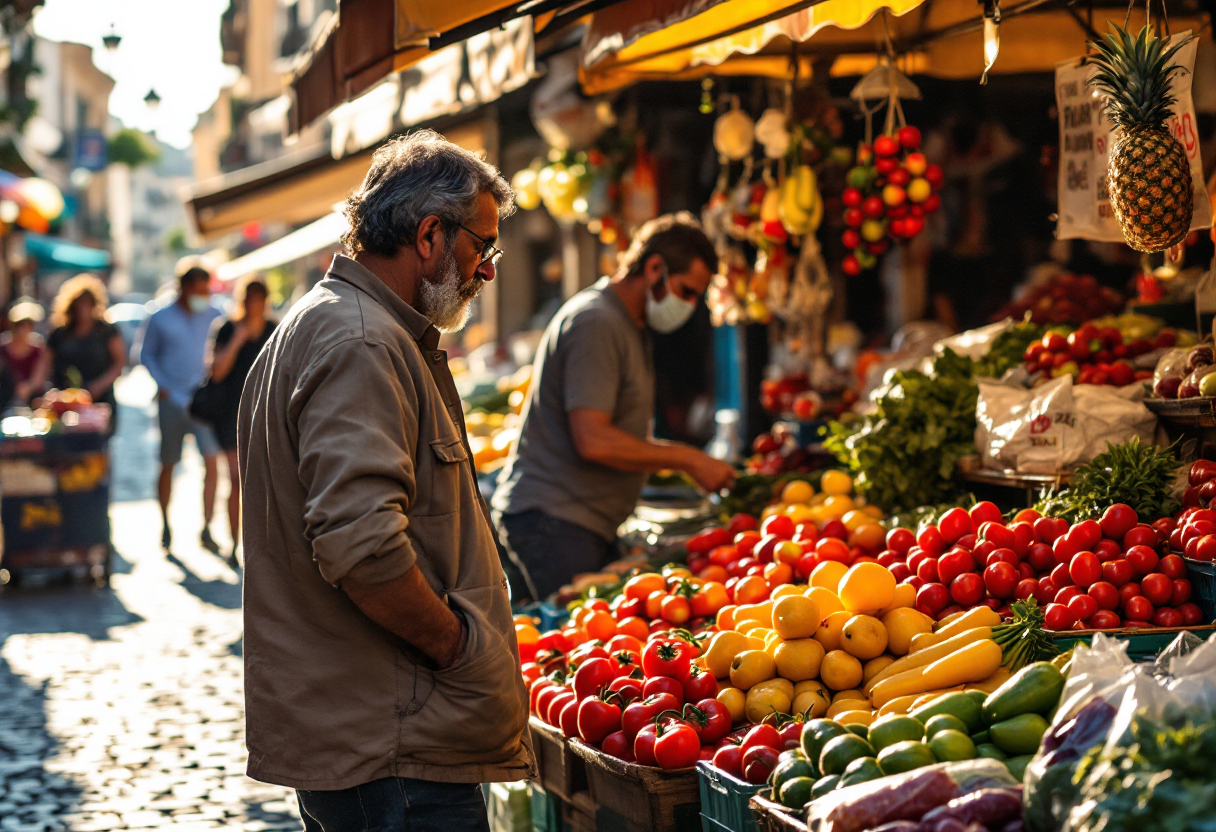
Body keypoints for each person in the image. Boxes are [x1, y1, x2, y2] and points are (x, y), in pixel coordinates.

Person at [238, 130, 532, 832]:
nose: (486, 270)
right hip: (395, 745)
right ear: (430, 234)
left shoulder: (336, 325)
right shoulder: (363, 341)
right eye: (481, 247)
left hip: (374, 735)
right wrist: (459, 647)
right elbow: (362, 548)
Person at [492, 213, 736, 603]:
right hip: (554, 522)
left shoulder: (627, 324)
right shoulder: (597, 322)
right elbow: (594, 440)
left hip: (580, 523)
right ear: (654, 267)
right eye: (686, 291)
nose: (690, 306)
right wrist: (688, 459)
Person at [137, 262, 222, 552]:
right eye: (199, 290)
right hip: (171, 402)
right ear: (185, 289)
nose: (204, 295)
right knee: (168, 464)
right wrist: (164, 387)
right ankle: (165, 524)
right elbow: (146, 355)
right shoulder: (160, 318)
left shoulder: (215, 315)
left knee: (212, 463)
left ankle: (208, 526)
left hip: (205, 403)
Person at [206, 275, 275, 564]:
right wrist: (237, 340)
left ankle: (258, 546)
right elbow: (217, 372)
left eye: (260, 299)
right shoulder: (226, 328)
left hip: (265, 414)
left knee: (260, 484)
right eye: (250, 299)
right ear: (242, 301)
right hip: (230, 416)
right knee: (235, 479)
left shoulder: (275, 329)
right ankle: (234, 544)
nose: (255, 305)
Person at [35, 275, 125, 418]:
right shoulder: (60, 333)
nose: (83, 308)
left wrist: (98, 386)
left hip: (99, 400)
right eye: (79, 303)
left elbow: (119, 363)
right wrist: (37, 389)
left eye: (87, 303)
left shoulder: (105, 331)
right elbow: (44, 364)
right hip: (64, 402)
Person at [2, 300, 46, 403]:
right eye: (19, 324)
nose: (22, 329)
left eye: (27, 324)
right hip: (5, 399)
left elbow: (38, 378)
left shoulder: (37, 348)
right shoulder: (3, 348)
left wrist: (27, 388)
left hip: (31, 400)